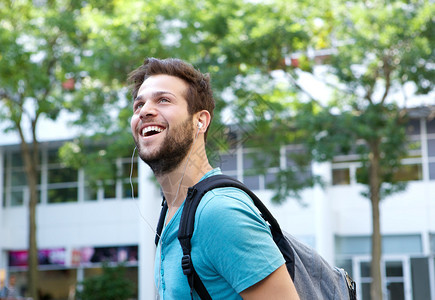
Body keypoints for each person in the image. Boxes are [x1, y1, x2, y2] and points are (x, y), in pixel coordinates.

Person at [129, 58, 299, 299]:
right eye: (138, 105)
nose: (145, 111)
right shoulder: (170, 213)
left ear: (200, 121)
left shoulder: (219, 212)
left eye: (163, 100)